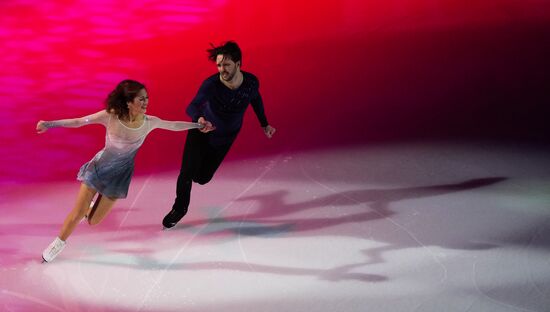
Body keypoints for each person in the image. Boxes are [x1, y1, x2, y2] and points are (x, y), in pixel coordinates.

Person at [37, 79, 215, 262]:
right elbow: (79, 121)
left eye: (147, 98)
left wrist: (198, 126)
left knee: (92, 221)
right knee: (77, 213)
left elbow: (174, 125)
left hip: (119, 179)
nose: (146, 102)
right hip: (98, 170)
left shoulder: (148, 122)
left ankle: (88, 210)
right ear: (128, 102)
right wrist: (49, 124)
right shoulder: (110, 116)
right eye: (141, 99)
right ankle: (57, 244)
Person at [163, 41, 276, 229]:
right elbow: (192, 106)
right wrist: (199, 119)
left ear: (238, 64)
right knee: (187, 172)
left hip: (226, 137)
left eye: (226, 65)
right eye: (218, 65)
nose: (221, 69)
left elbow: (255, 99)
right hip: (201, 131)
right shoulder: (211, 84)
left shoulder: (251, 82)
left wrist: (264, 124)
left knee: (202, 178)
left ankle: (198, 173)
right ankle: (180, 208)